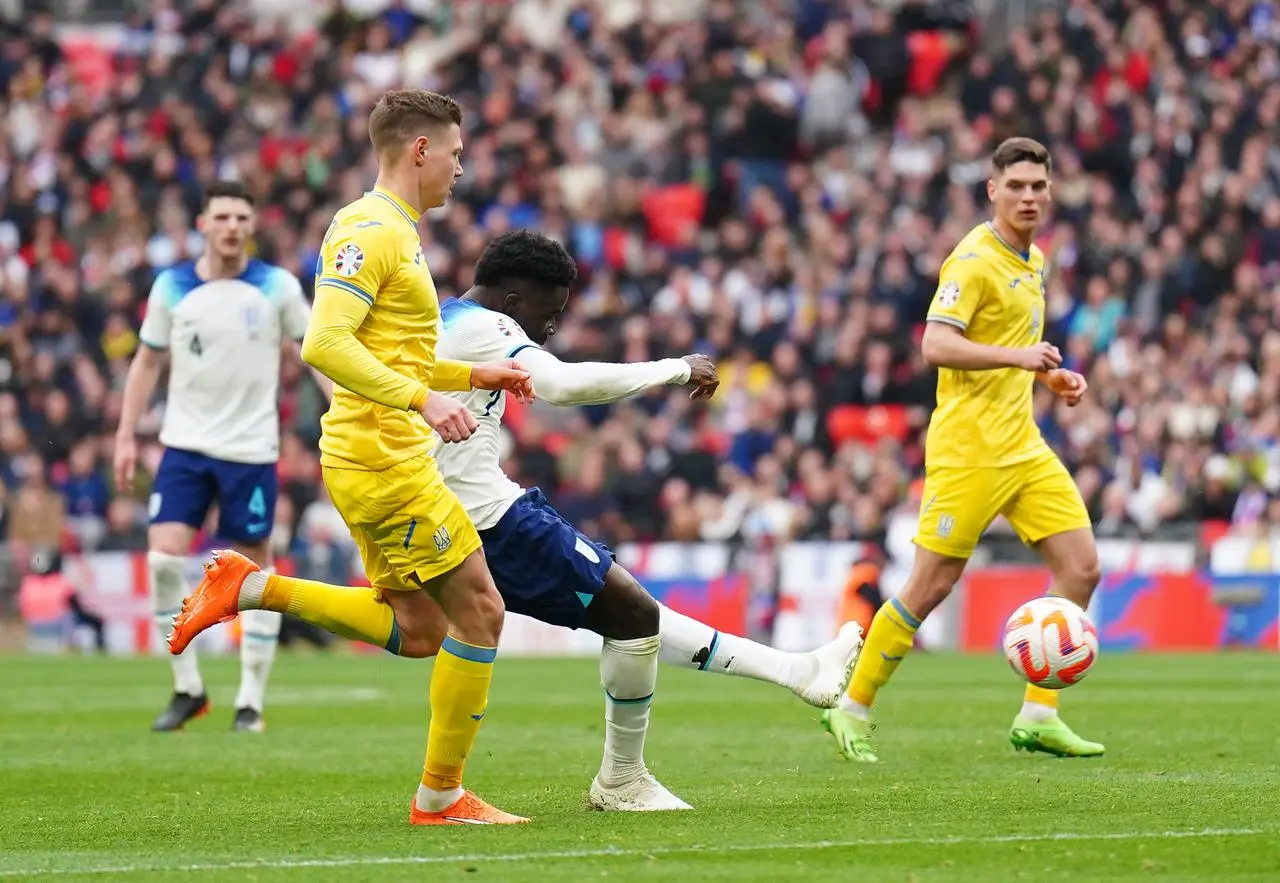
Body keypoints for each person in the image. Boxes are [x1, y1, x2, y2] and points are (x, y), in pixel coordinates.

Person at [166, 90, 535, 825]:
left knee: (423, 629)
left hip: (381, 451)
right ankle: (439, 796)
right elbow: (325, 344)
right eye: (456, 153)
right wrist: (423, 401)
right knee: (482, 610)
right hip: (382, 456)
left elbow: (390, 349)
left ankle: (254, 587)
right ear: (420, 150)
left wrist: (468, 376)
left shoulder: (396, 229)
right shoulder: (369, 230)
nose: (462, 169)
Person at [429, 230, 864, 811]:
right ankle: (623, 779)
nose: (553, 327)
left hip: (450, 514)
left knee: (628, 613)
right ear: (512, 298)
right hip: (491, 520)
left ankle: (797, 672)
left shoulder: (445, 318)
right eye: (550, 312)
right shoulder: (490, 327)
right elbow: (559, 384)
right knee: (632, 614)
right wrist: (673, 369)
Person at [820, 137, 1105, 762]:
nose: (1029, 196)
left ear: (1050, 191)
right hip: (968, 450)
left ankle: (1038, 713)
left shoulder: (1033, 261)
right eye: (1017, 186)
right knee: (929, 587)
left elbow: (1008, 346)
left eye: (1038, 186)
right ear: (992, 191)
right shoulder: (973, 260)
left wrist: (1048, 376)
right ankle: (851, 708)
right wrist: (1019, 358)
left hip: (1023, 443)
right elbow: (936, 346)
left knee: (1082, 568)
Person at [115, 180, 331, 734]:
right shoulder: (172, 287)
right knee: (163, 558)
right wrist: (124, 434)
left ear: (252, 226)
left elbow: (316, 354)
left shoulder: (276, 287)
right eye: (222, 217)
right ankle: (187, 688)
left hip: (251, 450)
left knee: (256, 571)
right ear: (203, 225)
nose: (232, 226)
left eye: (241, 216)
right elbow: (144, 364)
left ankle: (250, 701)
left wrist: (342, 406)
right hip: (184, 445)